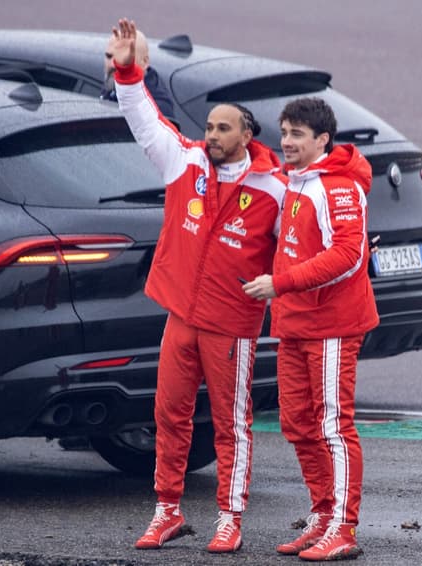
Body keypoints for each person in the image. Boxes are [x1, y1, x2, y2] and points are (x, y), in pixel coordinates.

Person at [108, 18, 287, 554]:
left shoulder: (274, 187)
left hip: (231, 326)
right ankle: (167, 510)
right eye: (208, 126)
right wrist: (128, 71)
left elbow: (299, 245)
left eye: (222, 129)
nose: (211, 135)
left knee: (232, 425)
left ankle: (229, 518)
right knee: (168, 413)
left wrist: (281, 283)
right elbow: (143, 118)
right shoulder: (185, 160)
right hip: (180, 316)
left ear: (247, 136)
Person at [243, 97, 379, 561]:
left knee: (332, 426)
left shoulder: (338, 186)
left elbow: (348, 256)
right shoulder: (295, 180)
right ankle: (323, 516)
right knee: (296, 423)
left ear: (323, 139)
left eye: (297, 134)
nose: (286, 142)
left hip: (332, 326)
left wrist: (280, 284)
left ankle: (343, 527)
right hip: (296, 323)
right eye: (283, 132)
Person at [101, 28, 176, 124]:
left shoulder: (156, 109)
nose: (112, 64)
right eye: (109, 56)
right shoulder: (112, 83)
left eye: (125, 58)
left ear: (144, 62)